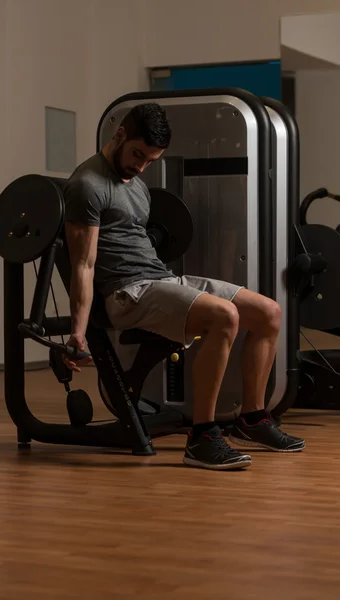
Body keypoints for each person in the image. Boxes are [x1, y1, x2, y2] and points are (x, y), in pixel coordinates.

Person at [63, 103, 305, 471]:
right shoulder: (87, 185)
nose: (142, 165)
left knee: (268, 313)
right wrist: (77, 332)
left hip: (161, 280)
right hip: (128, 294)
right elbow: (83, 264)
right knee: (223, 316)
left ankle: (252, 418)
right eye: (138, 155)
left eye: (150, 160)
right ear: (120, 135)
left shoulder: (139, 187)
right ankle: (203, 436)